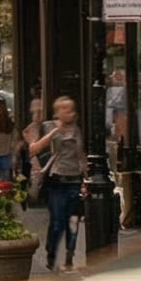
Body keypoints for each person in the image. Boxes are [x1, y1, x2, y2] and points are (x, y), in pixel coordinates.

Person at [28, 95, 87, 271]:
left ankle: (69, 256)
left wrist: (85, 177)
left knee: (73, 220)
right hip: (57, 180)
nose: (71, 113)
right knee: (58, 221)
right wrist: (55, 131)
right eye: (66, 109)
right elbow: (34, 148)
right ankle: (51, 252)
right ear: (58, 111)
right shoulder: (48, 126)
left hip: (74, 179)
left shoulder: (76, 130)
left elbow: (80, 154)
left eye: (72, 109)